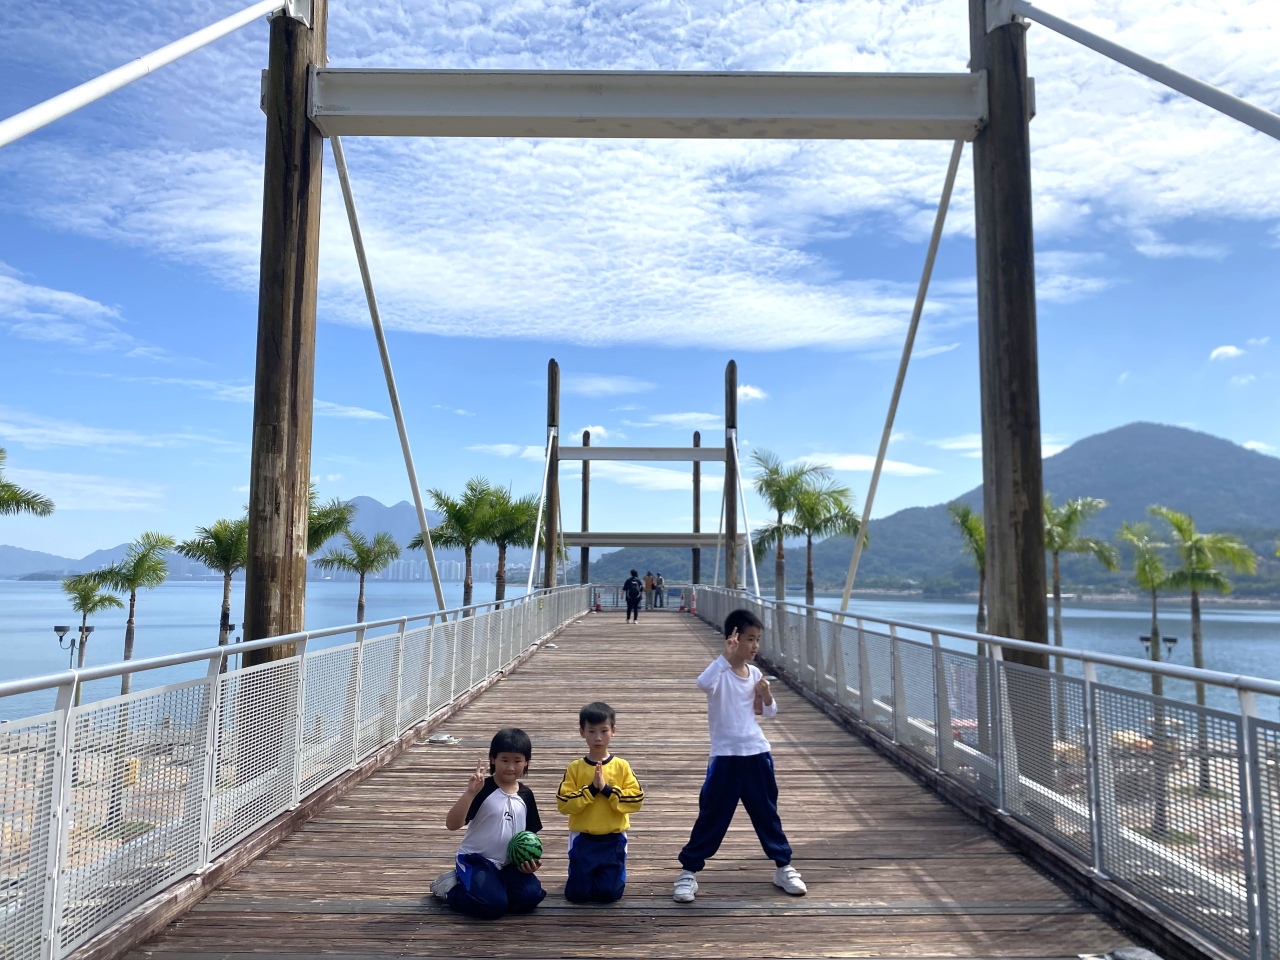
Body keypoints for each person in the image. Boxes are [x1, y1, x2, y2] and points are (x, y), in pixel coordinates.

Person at [673, 609, 806, 902]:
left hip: (757, 752)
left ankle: (783, 867)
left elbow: (768, 713)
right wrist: (726, 656)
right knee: (713, 814)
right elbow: (702, 683)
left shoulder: (755, 674)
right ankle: (688, 872)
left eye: (757, 639)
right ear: (734, 638)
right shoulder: (720, 673)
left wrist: (767, 695)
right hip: (726, 756)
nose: (755, 645)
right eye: (749, 639)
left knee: (766, 813)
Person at [431, 728, 546, 919]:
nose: (510, 767)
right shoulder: (483, 790)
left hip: (509, 863)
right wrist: (470, 793)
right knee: (492, 906)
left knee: (530, 897)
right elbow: (452, 824)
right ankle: (450, 887)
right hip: (476, 860)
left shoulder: (526, 795)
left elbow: (530, 836)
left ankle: (492, 887)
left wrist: (530, 862)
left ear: (526, 762)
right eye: (504, 760)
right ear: (493, 759)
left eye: (517, 761)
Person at [556, 701, 645, 902]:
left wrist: (606, 789)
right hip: (583, 839)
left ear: (613, 731)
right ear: (582, 732)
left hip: (613, 839)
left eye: (604, 731)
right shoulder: (575, 768)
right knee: (576, 896)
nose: (598, 737)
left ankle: (615, 872)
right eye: (591, 731)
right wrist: (590, 790)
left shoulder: (621, 766)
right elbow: (563, 803)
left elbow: (636, 799)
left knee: (608, 894)